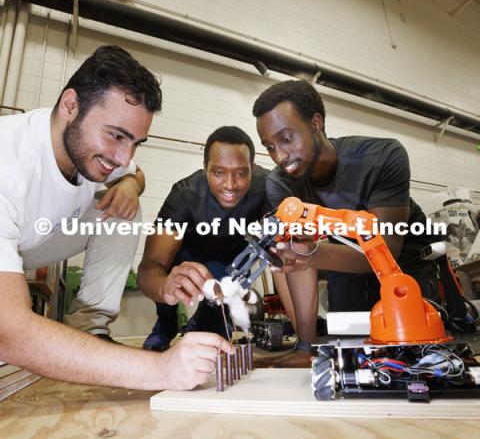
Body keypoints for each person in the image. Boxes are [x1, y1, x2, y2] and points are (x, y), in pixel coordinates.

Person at [0, 45, 232, 391]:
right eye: (116, 136)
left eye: (136, 142)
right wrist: (161, 369)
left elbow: (135, 174)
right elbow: (9, 331)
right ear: (70, 105)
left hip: (27, 240)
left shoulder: (96, 150)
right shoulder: (9, 162)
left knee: (124, 206)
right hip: (16, 241)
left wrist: (131, 185)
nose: (124, 156)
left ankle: (90, 328)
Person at [252, 80, 439, 366]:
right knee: (351, 345)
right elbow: (300, 259)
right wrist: (305, 346)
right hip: (342, 255)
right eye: (269, 146)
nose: (279, 156)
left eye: (286, 139)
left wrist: (311, 254)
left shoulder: (382, 157)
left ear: (316, 122)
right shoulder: (279, 183)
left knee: (416, 345)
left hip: (404, 255)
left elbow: (387, 247)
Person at [138, 126, 274, 351]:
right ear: (205, 169)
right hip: (189, 257)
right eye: (219, 172)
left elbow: (285, 250)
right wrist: (164, 287)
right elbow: (150, 267)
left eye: (241, 173)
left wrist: (304, 341)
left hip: (232, 264)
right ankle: (166, 323)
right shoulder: (185, 195)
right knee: (169, 269)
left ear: (253, 167)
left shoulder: (268, 188)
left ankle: (204, 320)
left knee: (207, 338)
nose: (230, 185)